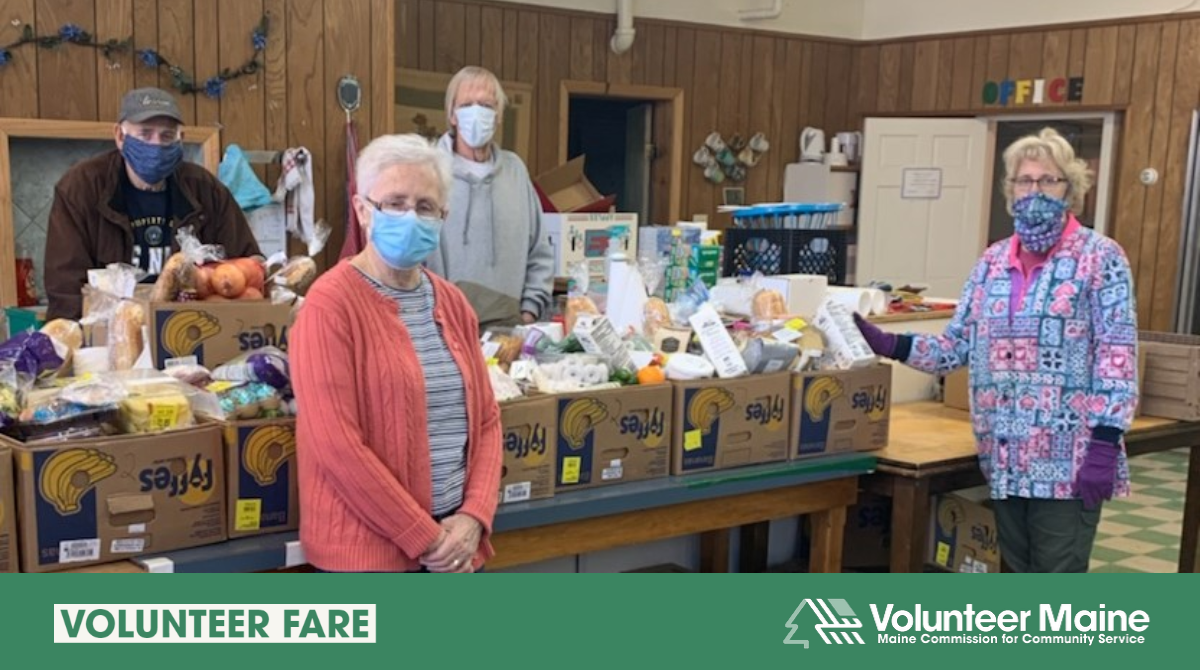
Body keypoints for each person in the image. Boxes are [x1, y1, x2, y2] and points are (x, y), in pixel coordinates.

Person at [855, 128, 1138, 573]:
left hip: (1067, 460)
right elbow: (955, 346)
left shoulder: (1100, 258)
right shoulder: (993, 262)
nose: (1035, 191)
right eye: (1025, 181)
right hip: (1004, 454)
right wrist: (890, 343)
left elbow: (1117, 357)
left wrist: (1105, 443)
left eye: (1049, 180)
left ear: (1071, 188)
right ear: (1010, 190)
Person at [291, 134, 502, 573]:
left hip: (456, 549)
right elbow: (337, 446)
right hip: (369, 560)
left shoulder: (452, 303)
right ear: (363, 210)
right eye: (396, 203)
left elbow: (486, 420)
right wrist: (426, 538)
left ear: (443, 216)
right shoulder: (329, 305)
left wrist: (473, 517)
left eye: (426, 207)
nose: (412, 217)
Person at [44, 87, 260, 320]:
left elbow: (247, 270)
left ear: (181, 140)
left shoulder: (206, 190)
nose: (156, 145)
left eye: (166, 136)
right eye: (145, 134)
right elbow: (65, 289)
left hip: (193, 329)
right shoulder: (81, 188)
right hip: (109, 334)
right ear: (119, 136)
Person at [426, 66, 554, 328]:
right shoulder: (428, 171)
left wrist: (529, 311)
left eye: (486, 105)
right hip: (445, 328)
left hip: (508, 330)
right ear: (452, 114)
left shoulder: (515, 171)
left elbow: (540, 250)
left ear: (498, 116)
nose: (477, 113)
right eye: (467, 104)